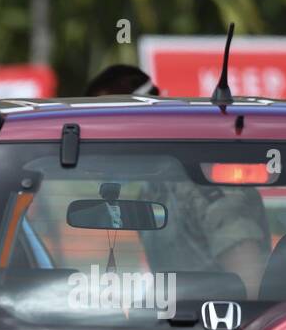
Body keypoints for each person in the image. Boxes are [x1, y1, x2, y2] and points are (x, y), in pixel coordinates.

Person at [85, 64, 270, 298]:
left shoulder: (202, 184)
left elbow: (251, 287)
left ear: (140, 120)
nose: (103, 146)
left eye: (108, 129)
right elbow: (171, 286)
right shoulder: (151, 191)